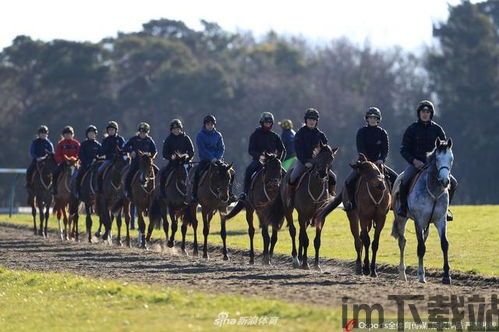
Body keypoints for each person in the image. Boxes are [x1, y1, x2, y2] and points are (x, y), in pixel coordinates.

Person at [397, 100, 457, 220]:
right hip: (416, 164)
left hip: (434, 166)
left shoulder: (437, 129)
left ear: (431, 113)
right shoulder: (412, 129)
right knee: (404, 182)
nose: (425, 114)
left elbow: (444, 149)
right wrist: (414, 161)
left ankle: (446, 210)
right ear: (419, 113)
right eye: (423, 111)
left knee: (453, 183)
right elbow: (403, 150)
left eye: (428, 111)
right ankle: (403, 208)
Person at [343, 107, 398, 211]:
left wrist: (382, 159)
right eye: (370, 117)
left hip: (378, 163)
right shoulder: (361, 132)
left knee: (396, 179)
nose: (372, 119)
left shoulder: (383, 133)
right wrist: (367, 162)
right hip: (364, 164)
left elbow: (385, 150)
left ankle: (393, 204)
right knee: (349, 181)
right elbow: (361, 149)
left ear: (378, 119)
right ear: (367, 119)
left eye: (375, 117)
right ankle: (352, 203)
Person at [288, 108, 337, 196]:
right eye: (310, 119)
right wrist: (305, 162)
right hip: (303, 162)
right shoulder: (299, 134)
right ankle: (290, 197)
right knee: (293, 177)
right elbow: (298, 151)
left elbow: (326, 151)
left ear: (316, 121)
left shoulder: (321, 135)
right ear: (306, 120)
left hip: (318, 163)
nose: (312, 121)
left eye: (314, 120)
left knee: (333, 177)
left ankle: (330, 197)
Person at [239, 112, 285, 201]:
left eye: (269, 123)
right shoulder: (255, 134)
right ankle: (245, 193)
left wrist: (278, 161)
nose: (268, 124)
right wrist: (260, 157)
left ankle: (288, 195)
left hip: (273, 163)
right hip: (258, 161)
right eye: (266, 122)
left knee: (286, 175)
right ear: (262, 122)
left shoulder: (275, 136)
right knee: (249, 170)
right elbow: (251, 150)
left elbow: (282, 150)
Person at [190, 115, 236, 202]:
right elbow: (202, 149)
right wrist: (212, 158)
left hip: (218, 160)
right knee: (197, 173)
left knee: (232, 172)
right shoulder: (200, 135)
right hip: (205, 160)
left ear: (214, 125)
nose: (210, 126)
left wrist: (217, 158)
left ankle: (230, 193)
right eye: (208, 124)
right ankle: (194, 195)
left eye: (211, 124)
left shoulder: (218, 135)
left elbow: (221, 148)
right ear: (205, 125)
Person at [159, 119, 194, 197]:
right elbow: (164, 153)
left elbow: (192, 151)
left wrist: (188, 156)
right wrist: (170, 157)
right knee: (163, 174)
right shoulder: (168, 139)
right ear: (171, 130)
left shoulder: (186, 138)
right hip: (173, 163)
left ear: (180, 129)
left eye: (177, 129)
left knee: (194, 175)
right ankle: (162, 193)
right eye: (174, 129)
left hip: (185, 163)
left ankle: (194, 194)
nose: (176, 130)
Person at [123, 122, 158, 199]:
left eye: (144, 132)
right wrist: (130, 151)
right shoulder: (133, 139)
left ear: (147, 132)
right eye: (141, 132)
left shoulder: (150, 140)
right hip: (136, 163)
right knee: (129, 175)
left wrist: (151, 156)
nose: (142, 134)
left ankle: (157, 192)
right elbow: (124, 147)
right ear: (139, 131)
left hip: (147, 164)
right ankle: (128, 191)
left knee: (158, 172)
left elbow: (155, 151)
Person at [96, 121, 126, 193]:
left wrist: (121, 152)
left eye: (112, 130)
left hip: (120, 160)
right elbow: (102, 151)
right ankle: (99, 188)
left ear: (116, 130)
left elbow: (124, 149)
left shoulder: (120, 139)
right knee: (99, 170)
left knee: (128, 170)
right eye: (109, 130)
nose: (111, 131)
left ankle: (127, 189)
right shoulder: (105, 140)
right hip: (109, 160)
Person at [75, 125, 102, 198]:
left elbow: (101, 154)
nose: (91, 135)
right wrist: (87, 163)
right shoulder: (83, 144)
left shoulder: (98, 145)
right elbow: (80, 155)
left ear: (95, 134)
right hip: (85, 165)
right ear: (87, 135)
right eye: (90, 133)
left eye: (93, 133)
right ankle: (77, 192)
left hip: (95, 165)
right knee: (78, 176)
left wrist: (97, 159)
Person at [52, 126, 80, 195]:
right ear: (63, 135)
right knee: (55, 173)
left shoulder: (76, 144)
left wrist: (76, 160)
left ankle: (79, 191)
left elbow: (80, 154)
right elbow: (57, 155)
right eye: (66, 134)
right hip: (64, 163)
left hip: (75, 163)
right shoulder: (61, 144)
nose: (68, 135)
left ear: (72, 135)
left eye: (69, 134)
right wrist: (62, 161)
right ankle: (54, 189)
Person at [26, 125, 54, 189]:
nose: (43, 135)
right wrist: (37, 158)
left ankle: (54, 184)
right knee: (29, 170)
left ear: (47, 134)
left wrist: (46, 157)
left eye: (45, 133)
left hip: (46, 161)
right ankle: (29, 183)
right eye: (42, 133)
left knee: (54, 170)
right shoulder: (35, 142)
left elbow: (52, 153)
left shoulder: (49, 143)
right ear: (39, 134)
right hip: (37, 160)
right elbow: (32, 152)